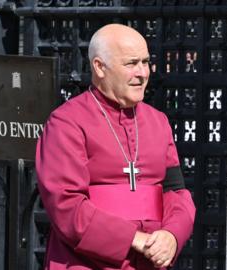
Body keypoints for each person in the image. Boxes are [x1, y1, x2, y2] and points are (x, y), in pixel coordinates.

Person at [35, 24, 195, 269]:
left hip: (149, 260)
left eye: (145, 62)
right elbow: (66, 205)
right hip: (86, 262)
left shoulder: (158, 122)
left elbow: (176, 192)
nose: (142, 72)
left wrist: (172, 235)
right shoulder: (66, 122)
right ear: (100, 67)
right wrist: (133, 239)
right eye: (131, 64)